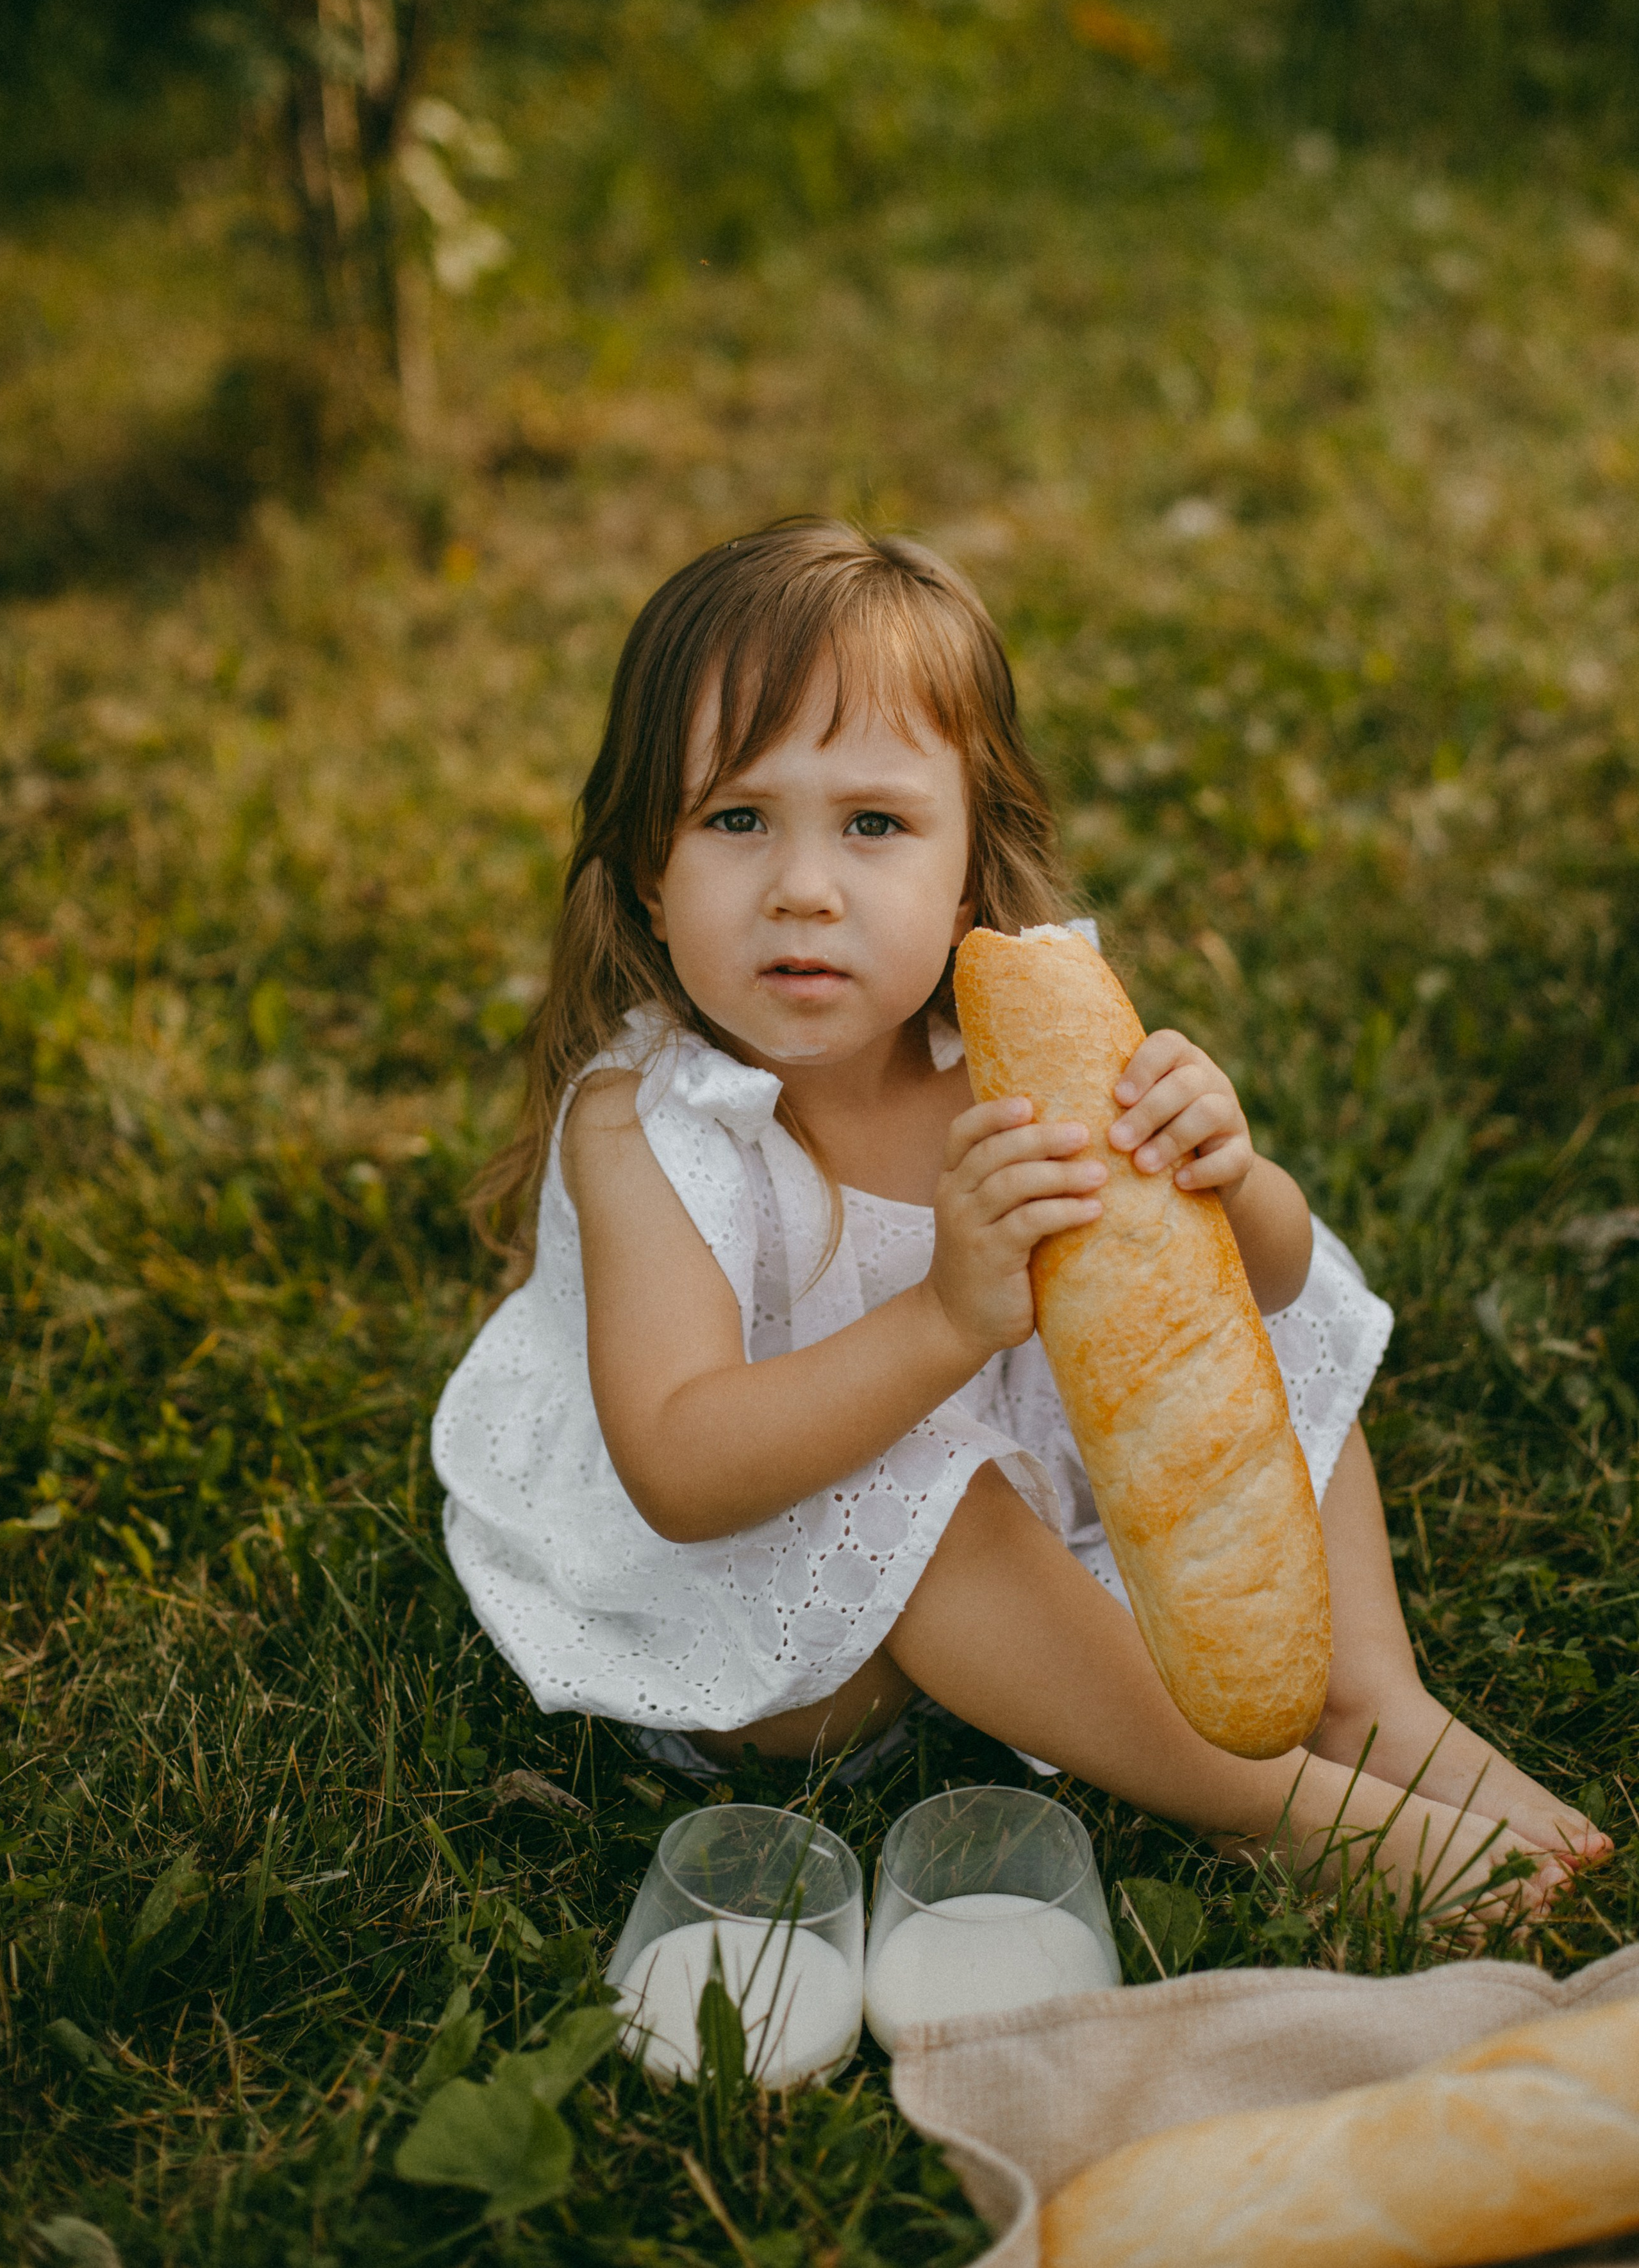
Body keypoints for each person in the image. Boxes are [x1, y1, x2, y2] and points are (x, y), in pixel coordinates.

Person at [434, 518, 1609, 1915]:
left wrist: (1230, 1181)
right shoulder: (650, 1127)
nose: (802, 886)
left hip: (1039, 1508)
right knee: (916, 1488)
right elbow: (683, 1469)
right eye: (735, 819)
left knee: (1250, 1334)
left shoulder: (1011, 1056)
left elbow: (1276, 1285)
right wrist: (942, 1319)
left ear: (967, 876)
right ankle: (1278, 1809)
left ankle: (1370, 1703)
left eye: (872, 825)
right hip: (780, 1603)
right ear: (648, 867)